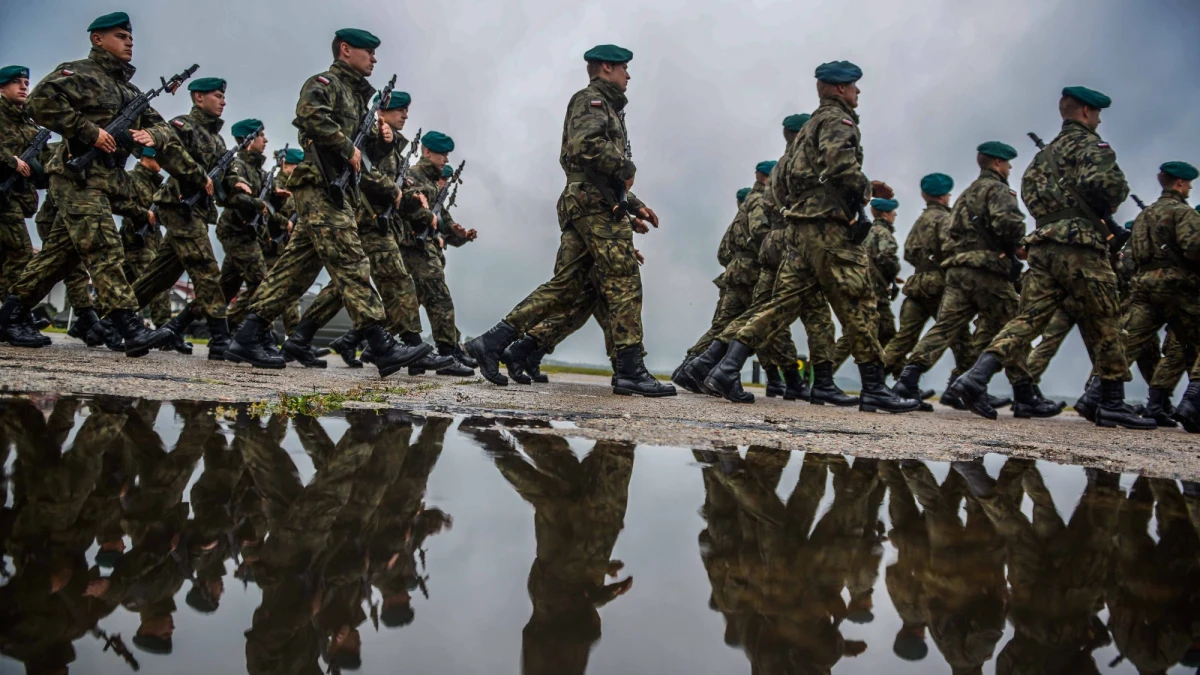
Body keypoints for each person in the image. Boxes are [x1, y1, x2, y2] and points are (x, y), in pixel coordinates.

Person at [691, 60, 917, 412]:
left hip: (799, 231)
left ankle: (727, 367)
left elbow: (781, 188)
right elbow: (841, 165)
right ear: (841, 89)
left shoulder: (807, 130)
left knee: (781, 304)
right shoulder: (837, 121)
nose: (858, 93)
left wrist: (813, 204)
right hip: (829, 231)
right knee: (859, 302)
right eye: (855, 86)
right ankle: (874, 387)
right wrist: (863, 190)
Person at [465, 44, 673, 397]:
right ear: (606, 67)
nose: (629, 75)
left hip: (592, 201)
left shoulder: (608, 107)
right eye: (624, 68)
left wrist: (633, 205)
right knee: (623, 280)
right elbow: (586, 147)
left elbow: (601, 175)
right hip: (590, 204)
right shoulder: (590, 100)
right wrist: (627, 168)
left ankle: (492, 341)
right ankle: (630, 370)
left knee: (569, 287)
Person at [225, 28, 432, 376]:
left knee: (297, 270)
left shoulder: (356, 99)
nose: (374, 59)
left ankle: (248, 333)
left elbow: (363, 153)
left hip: (336, 190)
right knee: (352, 261)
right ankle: (380, 343)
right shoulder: (325, 83)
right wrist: (345, 145)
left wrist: (381, 141)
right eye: (368, 52)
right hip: (319, 185)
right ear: (346, 50)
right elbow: (310, 114)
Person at [950, 86, 1155, 430]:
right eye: (1098, 114)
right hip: (1080, 245)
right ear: (1087, 112)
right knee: (1107, 318)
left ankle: (975, 377)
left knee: (1027, 319)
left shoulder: (1039, 160)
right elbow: (1111, 186)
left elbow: (1029, 197)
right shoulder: (1091, 145)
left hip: (1043, 246)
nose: (1099, 120)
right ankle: (1113, 402)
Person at [0, 12, 174, 354]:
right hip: (75, 176)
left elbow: (163, 128)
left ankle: (10, 315)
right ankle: (130, 327)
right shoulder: (78, 73)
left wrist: (150, 133)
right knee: (104, 247)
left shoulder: (130, 91)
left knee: (59, 258)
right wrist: (89, 131)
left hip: (107, 180)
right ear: (98, 39)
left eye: (130, 37)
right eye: (121, 36)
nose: (129, 42)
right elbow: (39, 102)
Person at [895, 142, 1061, 419]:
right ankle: (1024, 393)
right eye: (1007, 164)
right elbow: (1008, 223)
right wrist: (1018, 245)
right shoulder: (998, 189)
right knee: (1014, 328)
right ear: (997, 163)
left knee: (944, 328)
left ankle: (907, 379)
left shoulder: (965, 195)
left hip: (959, 270)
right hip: (987, 271)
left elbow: (950, 232)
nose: (1009, 169)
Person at [292, 98, 454, 374]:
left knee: (348, 285)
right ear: (381, 112)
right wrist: (403, 196)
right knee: (395, 282)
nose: (404, 115)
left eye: (406, 111)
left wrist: (413, 200)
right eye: (399, 110)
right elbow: (366, 174)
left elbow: (401, 188)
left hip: (378, 223)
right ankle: (410, 347)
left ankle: (301, 338)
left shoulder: (392, 148)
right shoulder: (371, 139)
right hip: (367, 221)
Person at [880, 173, 975, 403]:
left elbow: (908, 253)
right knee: (956, 334)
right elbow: (952, 247)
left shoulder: (921, 220)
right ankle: (967, 388)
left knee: (904, 338)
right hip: (939, 283)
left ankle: (873, 380)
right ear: (944, 196)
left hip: (917, 282)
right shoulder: (944, 219)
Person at [1122, 162, 1200, 431]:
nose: (1190, 187)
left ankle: (1098, 394)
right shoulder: (1183, 213)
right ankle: (1192, 403)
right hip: (1178, 287)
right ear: (1180, 183)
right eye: (1189, 183)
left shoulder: (1145, 216)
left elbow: (1130, 258)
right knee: (1185, 346)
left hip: (1144, 285)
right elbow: (1195, 248)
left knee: (1132, 342)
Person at [391, 130, 475, 375]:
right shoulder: (412, 175)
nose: (446, 160)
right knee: (438, 298)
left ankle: (394, 348)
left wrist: (455, 231)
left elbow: (442, 217)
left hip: (422, 247)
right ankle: (447, 353)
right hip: (412, 246)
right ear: (427, 152)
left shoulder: (430, 183)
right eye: (442, 155)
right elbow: (407, 207)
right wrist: (429, 217)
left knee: (410, 301)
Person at [832, 197, 900, 374]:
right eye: (893, 212)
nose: (895, 215)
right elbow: (887, 258)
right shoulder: (883, 233)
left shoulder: (864, 231)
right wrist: (891, 275)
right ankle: (900, 382)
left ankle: (898, 380)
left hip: (858, 284)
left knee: (882, 332)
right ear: (885, 214)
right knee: (861, 334)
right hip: (876, 292)